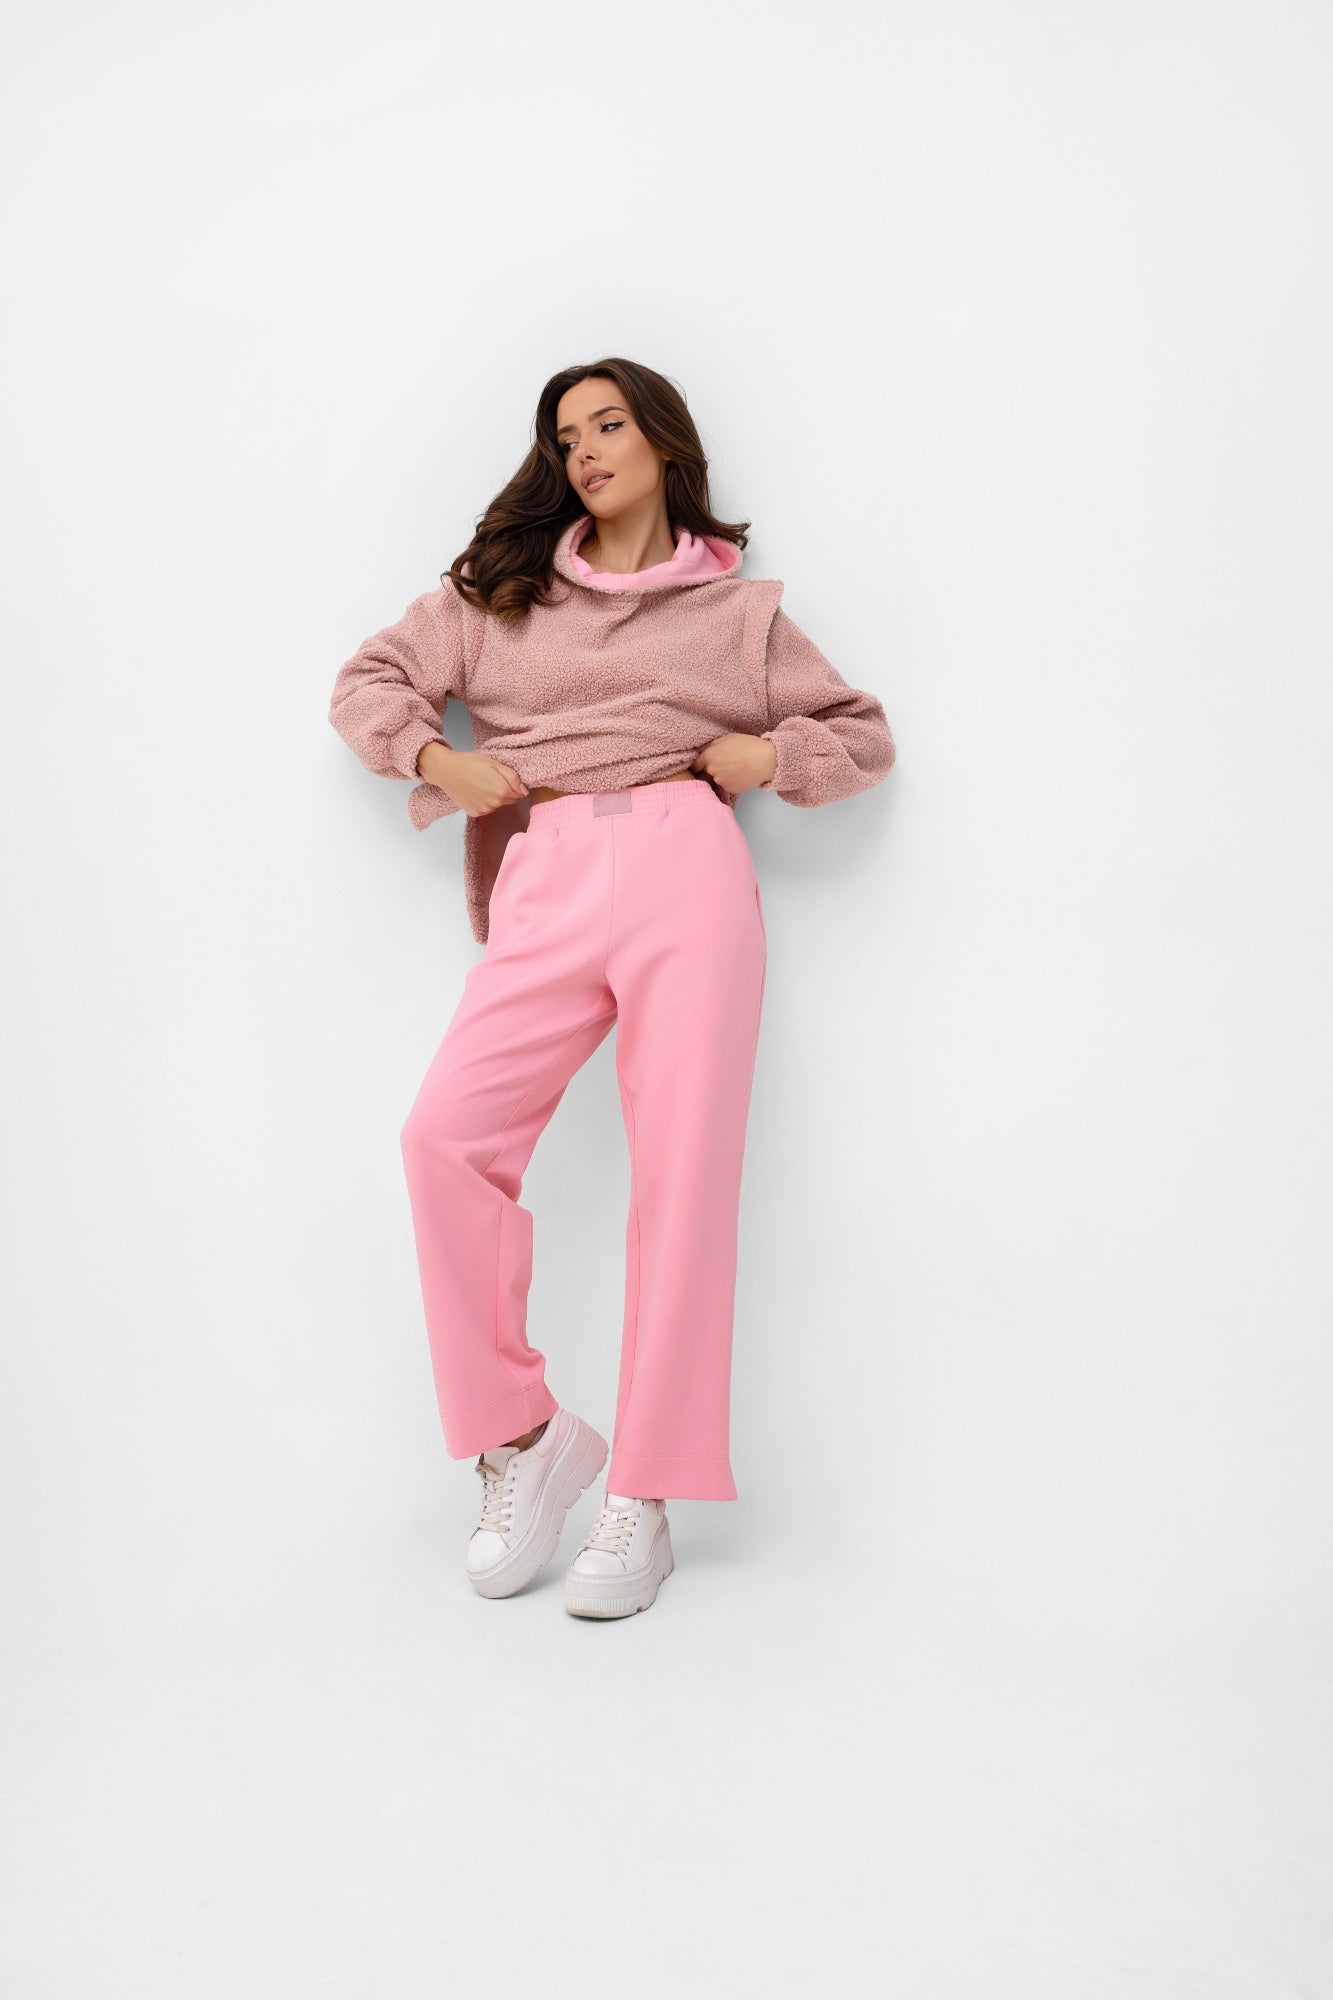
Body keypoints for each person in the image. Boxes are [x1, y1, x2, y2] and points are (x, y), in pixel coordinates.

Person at [328, 356, 896, 1619]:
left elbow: (861, 732)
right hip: (549, 870)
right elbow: (367, 682)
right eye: (565, 434)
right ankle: (524, 1438)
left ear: (662, 443)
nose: (584, 448)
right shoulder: (497, 597)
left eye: (607, 424)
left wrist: (770, 755)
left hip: (688, 868)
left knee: (683, 1179)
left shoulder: (738, 616)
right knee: (442, 1139)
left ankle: (646, 1489)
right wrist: (437, 760)